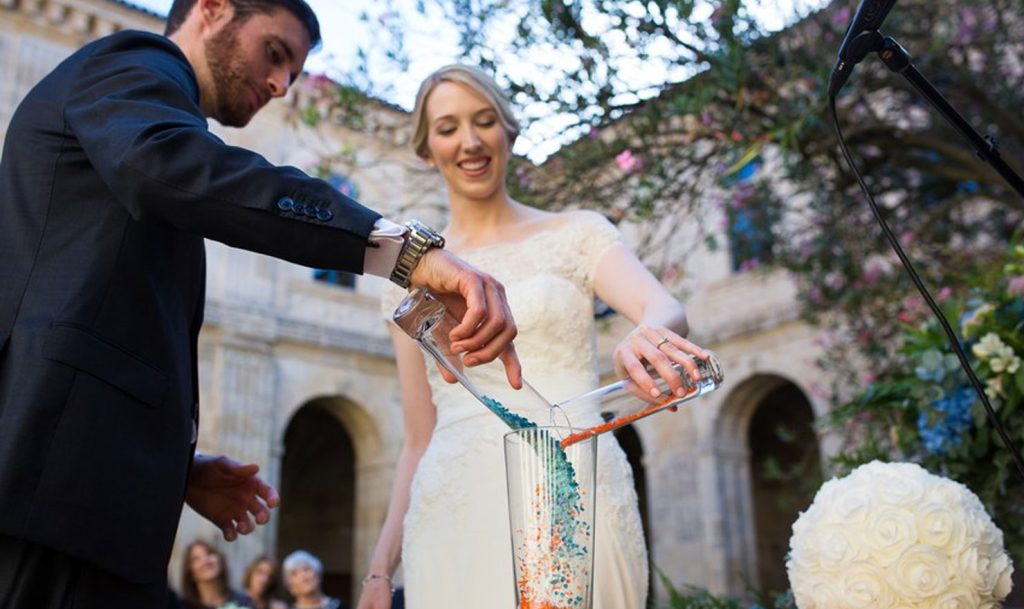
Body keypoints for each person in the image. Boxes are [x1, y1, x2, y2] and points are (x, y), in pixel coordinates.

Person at [0, 1, 521, 606]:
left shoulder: (151, 121)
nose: (279, 85)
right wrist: (401, 252)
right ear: (214, 9)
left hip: (88, 499)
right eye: (275, 54)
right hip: (49, 501)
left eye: (294, 75)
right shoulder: (131, 62)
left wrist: (176, 466)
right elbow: (178, 169)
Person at [356, 65, 709, 609]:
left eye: (484, 121)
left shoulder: (579, 232)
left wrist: (650, 336)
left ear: (509, 132)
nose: (470, 142)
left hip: (579, 484)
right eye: (448, 129)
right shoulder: (409, 273)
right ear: (426, 151)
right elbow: (417, 437)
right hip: (455, 505)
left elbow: (663, 305)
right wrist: (379, 573)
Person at [181, 540, 254, 609]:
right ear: (191, 573)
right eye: (196, 559)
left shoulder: (243, 602)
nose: (205, 560)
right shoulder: (183, 606)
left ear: (221, 561)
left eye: (209, 553)